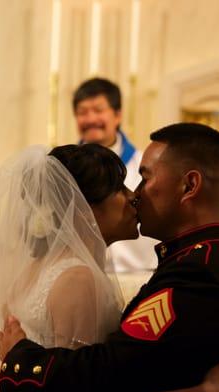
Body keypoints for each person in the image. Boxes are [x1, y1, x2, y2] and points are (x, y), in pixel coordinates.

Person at [0, 143, 219, 392]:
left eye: (140, 180)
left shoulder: (37, 269)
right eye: (120, 188)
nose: (133, 195)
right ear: (84, 209)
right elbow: (87, 388)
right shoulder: (77, 279)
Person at [73, 77, 157, 273]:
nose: (91, 119)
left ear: (117, 115)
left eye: (99, 110)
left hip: (139, 275)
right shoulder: (63, 170)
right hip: (82, 275)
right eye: (82, 112)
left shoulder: (144, 166)